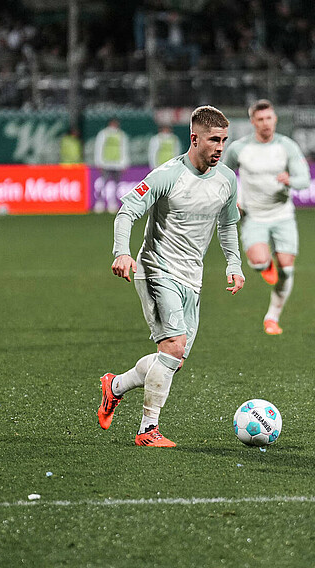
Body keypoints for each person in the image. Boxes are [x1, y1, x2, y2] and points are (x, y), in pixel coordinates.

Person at [98, 105, 244, 448]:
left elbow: (227, 224)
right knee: (173, 346)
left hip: (193, 278)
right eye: (213, 140)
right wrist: (121, 251)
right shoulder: (167, 175)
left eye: (224, 140)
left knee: (173, 359)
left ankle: (114, 386)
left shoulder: (227, 180)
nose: (220, 147)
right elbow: (126, 211)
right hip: (156, 269)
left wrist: (234, 264)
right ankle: (147, 430)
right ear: (194, 139)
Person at [223, 99, 310, 336]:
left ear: (275, 119)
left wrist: (290, 180)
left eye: (269, 118)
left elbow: (304, 180)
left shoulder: (287, 146)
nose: (265, 123)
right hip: (254, 216)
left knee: (287, 270)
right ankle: (265, 263)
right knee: (261, 263)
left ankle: (272, 317)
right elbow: (223, 175)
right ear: (253, 122)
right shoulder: (239, 149)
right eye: (260, 119)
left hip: (283, 216)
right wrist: (235, 199)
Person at [93, 118, 130, 213]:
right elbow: (99, 147)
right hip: (106, 162)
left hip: (117, 163)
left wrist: (124, 162)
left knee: (116, 184)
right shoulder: (104, 134)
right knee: (103, 183)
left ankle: (112, 202)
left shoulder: (121, 135)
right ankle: (100, 202)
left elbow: (124, 149)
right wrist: (98, 161)